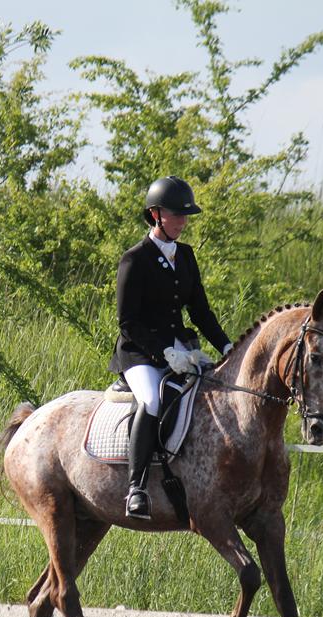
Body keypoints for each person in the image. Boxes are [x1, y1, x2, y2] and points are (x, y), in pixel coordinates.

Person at [107, 176, 233, 520]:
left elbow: (200, 312)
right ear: (156, 215)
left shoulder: (186, 255)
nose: (183, 221)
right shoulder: (134, 259)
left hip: (180, 348)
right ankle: (136, 487)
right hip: (139, 353)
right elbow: (127, 322)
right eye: (176, 215)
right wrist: (164, 352)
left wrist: (227, 347)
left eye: (185, 215)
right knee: (151, 400)